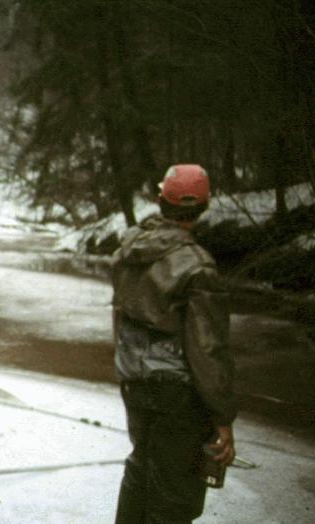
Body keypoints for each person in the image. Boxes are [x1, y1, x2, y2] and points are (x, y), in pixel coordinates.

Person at [111, 164, 237, 523]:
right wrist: (223, 418)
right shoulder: (198, 267)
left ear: (161, 200)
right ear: (203, 206)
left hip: (135, 381)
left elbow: (120, 318)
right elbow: (208, 349)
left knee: (141, 470)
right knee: (175, 495)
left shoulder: (128, 249)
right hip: (178, 395)